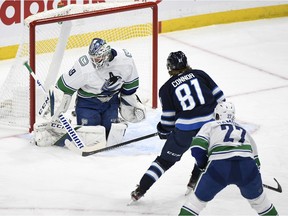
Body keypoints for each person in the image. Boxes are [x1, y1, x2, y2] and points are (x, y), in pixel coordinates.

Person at [130, 51, 225, 202]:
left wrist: (163, 130)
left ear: (169, 68)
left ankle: (141, 190)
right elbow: (221, 99)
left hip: (184, 131)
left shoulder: (166, 88)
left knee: (164, 162)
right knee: (204, 153)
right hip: (209, 126)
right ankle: (194, 181)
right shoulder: (200, 74)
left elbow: (168, 122)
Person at [33, 38, 145, 147]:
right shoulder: (84, 66)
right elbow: (64, 86)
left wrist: (131, 103)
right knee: (91, 137)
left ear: (106, 55)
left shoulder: (125, 60)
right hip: (88, 103)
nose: (94, 61)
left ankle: (113, 119)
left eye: (97, 58)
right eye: (93, 58)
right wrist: (55, 107)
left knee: (111, 136)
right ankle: (56, 133)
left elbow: (130, 86)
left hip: (111, 101)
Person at [179, 101, 278, 216]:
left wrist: (202, 165)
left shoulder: (210, 125)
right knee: (262, 204)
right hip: (247, 166)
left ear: (217, 115)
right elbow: (256, 162)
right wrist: (251, 179)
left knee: (194, 204)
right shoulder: (243, 130)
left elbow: (197, 148)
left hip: (219, 167)